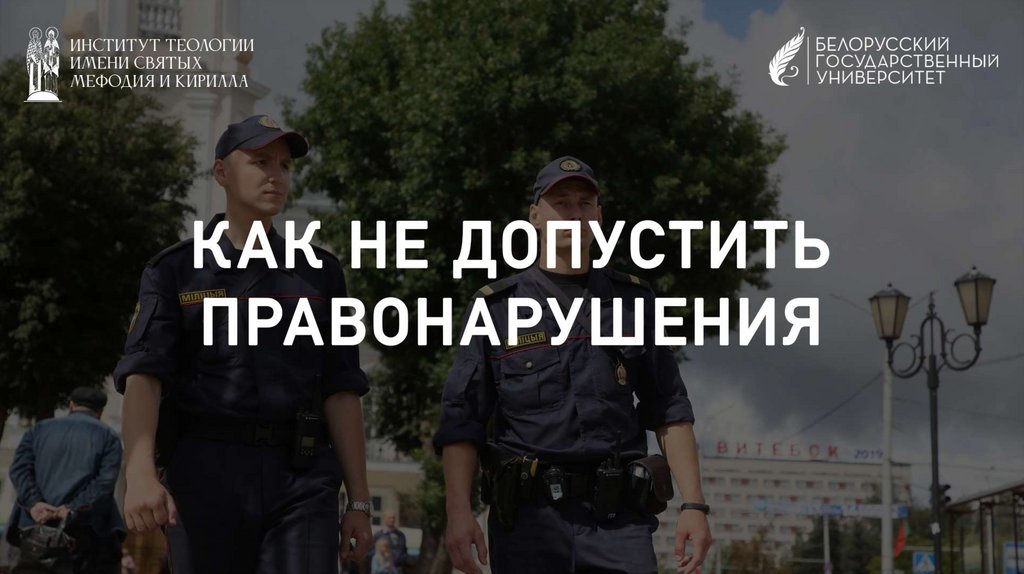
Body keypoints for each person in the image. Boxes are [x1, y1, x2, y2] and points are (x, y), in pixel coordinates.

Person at [113, 115, 374, 573]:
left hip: (302, 478)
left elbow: (342, 389)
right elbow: (144, 376)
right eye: (260, 162)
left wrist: (359, 502)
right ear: (221, 173)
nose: (276, 175)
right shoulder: (176, 270)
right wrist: (138, 473)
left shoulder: (320, 272)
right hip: (205, 472)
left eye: (284, 165)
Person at [434, 157, 713, 574]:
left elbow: (669, 408)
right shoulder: (496, 308)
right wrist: (458, 514)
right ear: (535, 216)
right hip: (528, 524)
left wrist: (694, 504)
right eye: (561, 203)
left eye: (585, 203)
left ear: (599, 217)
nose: (575, 213)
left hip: (619, 524)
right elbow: (462, 420)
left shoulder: (634, 302)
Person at [7, 387, 125, 573]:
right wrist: (72, 508)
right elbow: (105, 482)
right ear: (100, 412)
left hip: (34, 530)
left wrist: (35, 502)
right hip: (85, 533)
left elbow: (19, 469)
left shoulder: (39, 429)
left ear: (71, 405)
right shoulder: (108, 436)